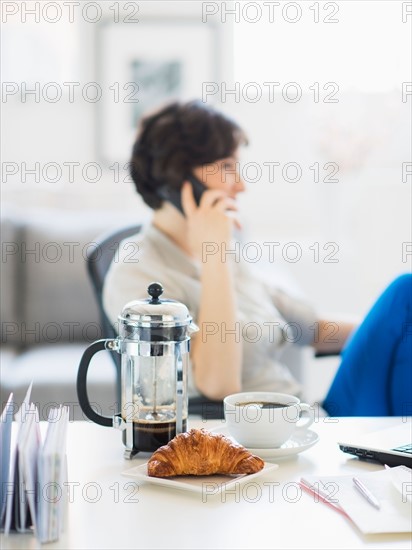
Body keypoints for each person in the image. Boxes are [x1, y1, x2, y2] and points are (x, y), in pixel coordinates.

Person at [103, 100, 412, 416]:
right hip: (252, 440)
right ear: (179, 178)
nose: (241, 185)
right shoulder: (137, 270)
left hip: (308, 422)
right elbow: (217, 384)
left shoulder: (229, 257)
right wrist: (215, 257)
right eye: (226, 167)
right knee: (406, 291)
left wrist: (396, 330)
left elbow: (310, 328)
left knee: (406, 306)